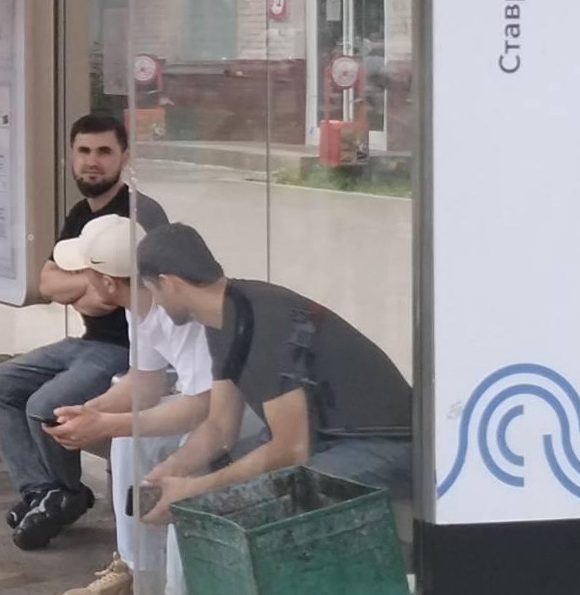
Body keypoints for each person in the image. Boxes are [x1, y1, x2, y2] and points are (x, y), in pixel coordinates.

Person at [130, 222, 416, 527]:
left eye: (152, 290)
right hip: (327, 438)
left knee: (256, 498)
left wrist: (195, 490)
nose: (156, 303)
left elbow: (291, 448)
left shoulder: (265, 320)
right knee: (211, 480)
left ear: (169, 283)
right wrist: (172, 471)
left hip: (385, 443)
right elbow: (219, 426)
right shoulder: (224, 315)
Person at [38, 213, 221, 595]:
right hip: (210, 411)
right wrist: (92, 413)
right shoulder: (138, 305)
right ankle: (143, 578)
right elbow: (144, 383)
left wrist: (106, 423)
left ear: (106, 281)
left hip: (241, 418)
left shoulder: (180, 310)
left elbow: (205, 409)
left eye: (86, 272)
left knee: (180, 464)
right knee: (128, 439)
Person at [0, 113, 167, 551]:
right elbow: (47, 282)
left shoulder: (140, 214)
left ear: (124, 157)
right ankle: (44, 492)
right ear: (70, 156)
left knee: (45, 404)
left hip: (126, 349)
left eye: (104, 151)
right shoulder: (81, 213)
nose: (92, 161)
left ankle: (61, 494)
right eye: (83, 151)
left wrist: (81, 287)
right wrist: (88, 284)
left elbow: (111, 297)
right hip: (87, 342)